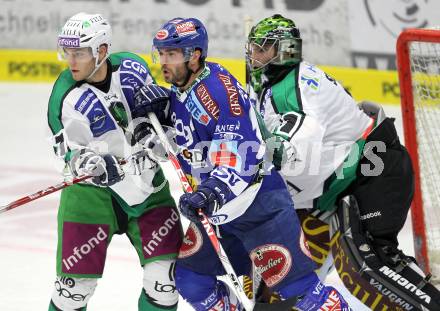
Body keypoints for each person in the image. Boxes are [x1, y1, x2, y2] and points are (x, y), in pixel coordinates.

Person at [134, 17, 352, 310]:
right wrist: (151, 129)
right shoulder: (181, 89)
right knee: (191, 280)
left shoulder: (220, 93)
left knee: (302, 294)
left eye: (170, 54)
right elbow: (182, 148)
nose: (163, 62)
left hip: (259, 205)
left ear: (194, 55)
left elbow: (240, 161)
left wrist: (209, 193)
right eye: (160, 54)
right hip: (218, 210)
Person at [246, 14, 440, 310]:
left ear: (284, 50)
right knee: (281, 279)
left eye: (262, 49)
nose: (254, 57)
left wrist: (259, 169)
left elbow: (298, 147)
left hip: (372, 173)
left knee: (369, 265)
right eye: (252, 49)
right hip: (339, 189)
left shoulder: (291, 89)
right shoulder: (278, 85)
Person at [47, 12, 182, 311]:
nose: (71, 61)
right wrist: (89, 162)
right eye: (68, 53)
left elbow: (159, 122)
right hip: (90, 197)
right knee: (72, 293)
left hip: (146, 186)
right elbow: (67, 155)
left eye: (80, 53)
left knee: (165, 283)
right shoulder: (64, 96)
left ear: (102, 51)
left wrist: (159, 133)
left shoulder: (133, 68)